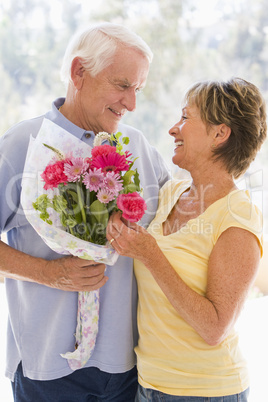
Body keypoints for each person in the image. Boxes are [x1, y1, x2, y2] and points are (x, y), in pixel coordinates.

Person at [0, 22, 170, 401]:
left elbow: (180, 224)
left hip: (129, 367)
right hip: (48, 370)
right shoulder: (20, 145)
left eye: (138, 90)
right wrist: (47, 272)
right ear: (79, 72)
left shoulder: (138, 146)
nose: (132, 103)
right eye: (123, 85)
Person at [106, 77, 267, 401]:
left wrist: (151, 255)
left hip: (206, 391)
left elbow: (214, 328)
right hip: (149, 386)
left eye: (185, 117)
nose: (173, 129)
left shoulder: (237, 217)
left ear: (220, 134)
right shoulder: (171, 192)